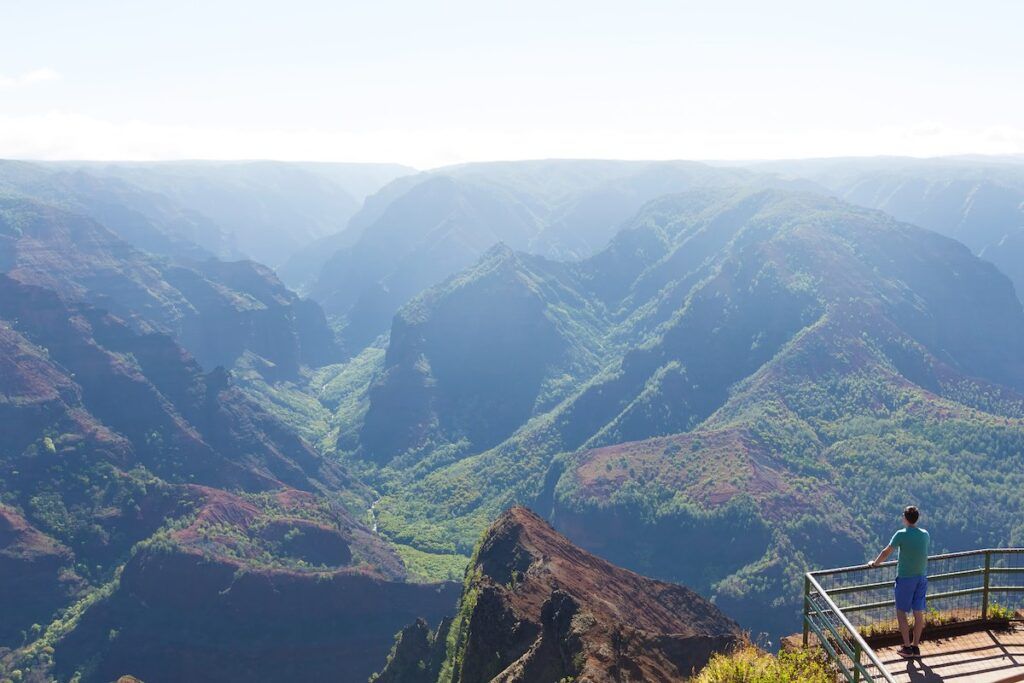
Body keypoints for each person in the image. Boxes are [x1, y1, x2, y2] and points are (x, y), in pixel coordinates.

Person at [868, 505, 930, 658]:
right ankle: (915, 647)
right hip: (921, 578)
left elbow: (886, 552)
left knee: (901, 612)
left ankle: (907, 648)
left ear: (905, 518)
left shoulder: (901, 534)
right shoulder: (925, 534)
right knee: (918, 613)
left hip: (905, 578)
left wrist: (875, 564)